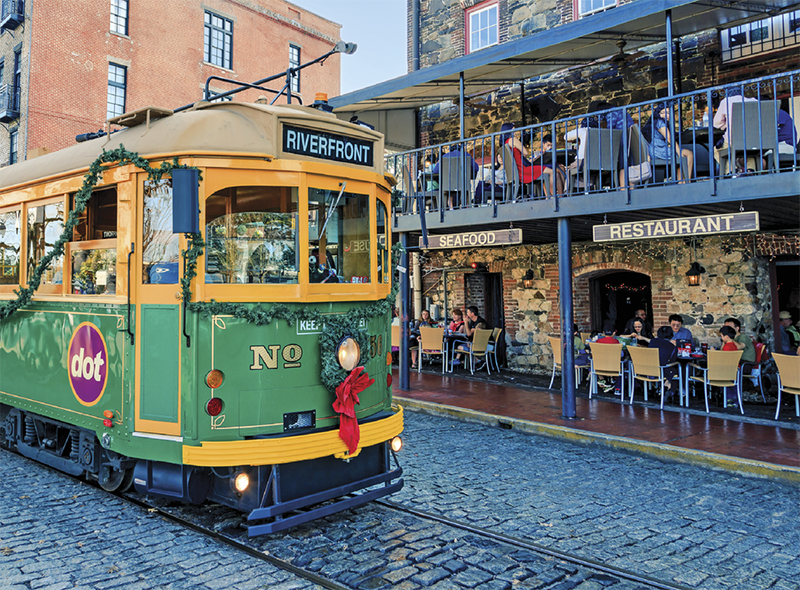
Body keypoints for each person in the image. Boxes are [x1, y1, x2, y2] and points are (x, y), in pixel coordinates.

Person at [500, 122, 564, 196]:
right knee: (552, 172)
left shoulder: (505, 143)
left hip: (517, 172)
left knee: (547, 172)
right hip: (524, 170)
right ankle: (556, 196)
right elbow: (525, 152)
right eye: (513, 130)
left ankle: (549, 197)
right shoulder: (513, 140)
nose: (515, 132)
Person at [713, 85, 758, 173]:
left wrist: (726, 125)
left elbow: (717, 123)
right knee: (749, 152)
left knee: (717, 150)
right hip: (752, 141)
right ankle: (751, 170)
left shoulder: (726, 102)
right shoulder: (754, 101)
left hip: (733, 140)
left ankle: (732, 170)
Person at [650, 103, 694, 181]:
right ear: (658, 114)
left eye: (667, 113)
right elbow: (670, 139)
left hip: (656, 150)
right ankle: (687, 181)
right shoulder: (660, 122)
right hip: (658, 151)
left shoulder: (658, 122)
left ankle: (682, 181)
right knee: (688, 154)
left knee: (682, 155)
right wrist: (679, 153)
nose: (665, 115)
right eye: (662, 113)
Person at [648, 326, 679, 394]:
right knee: (678, 370)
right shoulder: (672, 347)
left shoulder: (652, 341)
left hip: (649, 370)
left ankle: (663, 387)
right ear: (671, 335)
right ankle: (670, 390)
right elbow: (672, 361)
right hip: (662, 371)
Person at [720, 325, 742, 407]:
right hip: (736, 370)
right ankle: (735, 401)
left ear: (726, 336)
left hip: (728, 371)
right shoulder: (734, 345)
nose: (721, 338)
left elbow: (722, 357)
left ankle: (729, 398)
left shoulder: (727, 347)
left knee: (717, 378)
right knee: (734, 387)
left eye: (722, 336)